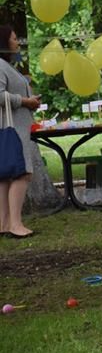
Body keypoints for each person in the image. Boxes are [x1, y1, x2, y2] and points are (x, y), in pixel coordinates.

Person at [0, 25, 39, 238]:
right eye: (14, 38)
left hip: (16, 125)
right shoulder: (0, 65)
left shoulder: (8, 65)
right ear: (4, 41)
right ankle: (16, 224)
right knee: (22, 173)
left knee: (6, 176)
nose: (17, 42)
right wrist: (25, 101)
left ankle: (4, 223)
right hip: (12, 128)